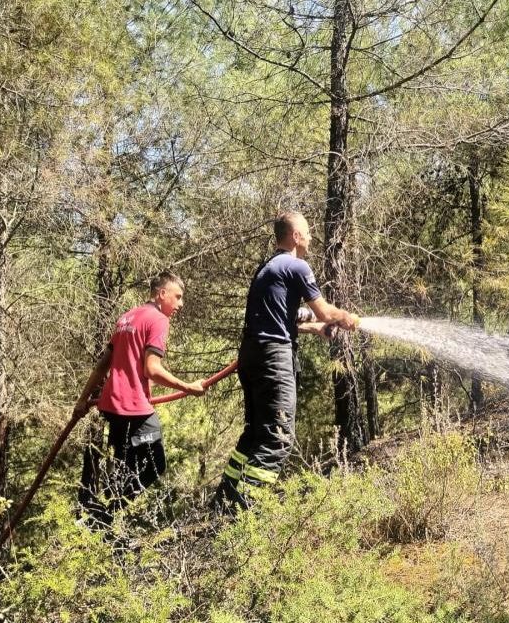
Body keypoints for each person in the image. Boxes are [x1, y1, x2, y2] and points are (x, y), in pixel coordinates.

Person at [213, 211, 359, 512]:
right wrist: (346, 317)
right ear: (295, 236)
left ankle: (223, 502)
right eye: (307, 231)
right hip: (273, 358)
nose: (311, 235)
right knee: (277, 438)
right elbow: (325, 312)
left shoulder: (268, 268)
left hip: (252, 355)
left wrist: (313, 328)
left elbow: (284, 317)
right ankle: (242, 514)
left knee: (255, 433)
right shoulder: (297, 266)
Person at [73, 271, 207, 526]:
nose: (180, 304)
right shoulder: (157, 320)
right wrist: (188, 387)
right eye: (177, 297)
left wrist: (83, 400)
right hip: (133, 407)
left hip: (111, 406)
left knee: (124, 471)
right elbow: (152, 369)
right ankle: (102, 519)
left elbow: (103, 364)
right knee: (155, 464)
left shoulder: (127, 317)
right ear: (161, 294)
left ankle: (103, 526)